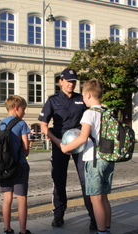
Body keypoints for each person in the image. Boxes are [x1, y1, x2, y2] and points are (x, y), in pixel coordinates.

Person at [38, 68, 96, 229]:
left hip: (80, 144)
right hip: (60, 144)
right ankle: (58, 215)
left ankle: (93, 216)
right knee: (58, 180)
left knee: (86, 181)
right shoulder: (52, 100)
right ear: (61, 81)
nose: (71, 84)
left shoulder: (81, 99)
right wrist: (58, 143)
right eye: (68, 81)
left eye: (74, 81)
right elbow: (44, 126)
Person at [61, 79, 114, 234]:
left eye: (83, 96)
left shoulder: (89, 113)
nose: (83, 99)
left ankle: (102, 231)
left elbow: (82, 138)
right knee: (104, 198)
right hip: (108, 159)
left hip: (94, 160)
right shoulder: (107, 111)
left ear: (88, 94)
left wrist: (65, 147)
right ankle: (108, 228)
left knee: (96, 199)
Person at [0, 95, 31, 234]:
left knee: (7, 199)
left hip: (5, 166)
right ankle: (23, 231)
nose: (24, 113)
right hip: (19, 165)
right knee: (22, 198)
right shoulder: (21, 124)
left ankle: (7, 229)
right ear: (16, 108)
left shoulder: (0, 124)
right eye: (23, 109)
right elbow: (25, 150)